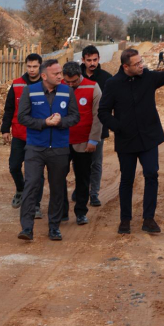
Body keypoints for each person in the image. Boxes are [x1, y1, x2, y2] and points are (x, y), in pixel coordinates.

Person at [99, 40, 164, 235]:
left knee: (151, 175)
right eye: (137, 64)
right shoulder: (112, 84)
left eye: (141, 62)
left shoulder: (148, 77)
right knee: (127, 180)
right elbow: (103, 112)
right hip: (126, 140)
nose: (142, 65)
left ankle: (148, 219)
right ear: (126, 67)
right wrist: (118, 128)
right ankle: (125, 220)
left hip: (148, 138)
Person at [16, 60, 80, 241]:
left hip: (59, 148)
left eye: (60, 73)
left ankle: (54, 227)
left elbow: (75, 117)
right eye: (56, 74)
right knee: (31, 185)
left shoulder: (67, 91)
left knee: (58, 188)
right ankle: (27, 228)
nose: (61, 76)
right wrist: (44, 122)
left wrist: (61, 122)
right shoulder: (30, 90)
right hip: (35, 148)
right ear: (44, 76)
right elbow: (22, 117)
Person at [1, 53, 46, 218]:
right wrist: (5, 129)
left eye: (35, 66)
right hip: (19, 134)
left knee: (36, 173)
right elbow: (9, 108)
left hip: (39, 136)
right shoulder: (17, 84)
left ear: (40, 67)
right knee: (14, 166)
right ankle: (21, 189)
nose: (32, 70)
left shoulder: (46, 84)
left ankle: (35, 205)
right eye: (29, 66)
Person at [61, 61, 103, 225]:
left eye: (74, 81)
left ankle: (80, 212)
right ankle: (61, 211)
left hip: (83, 142)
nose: (70, 85)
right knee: (58, 177)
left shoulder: (93, 88)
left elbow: (98, 116)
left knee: (83, 178)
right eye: (68, 81)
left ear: (80, 75)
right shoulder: (59, 87)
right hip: (62, 141)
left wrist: (93, 140)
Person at [80, 45, 113, 207]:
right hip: (78, 127)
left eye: (95, 60)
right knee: (79, 162)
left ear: (99, 59)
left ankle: (94, 194)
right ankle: (80, 189)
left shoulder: (107, 78)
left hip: (99, 126)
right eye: (89, 60)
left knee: (96, 162)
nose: (92, 63)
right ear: (83, 60)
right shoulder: (75, 76)